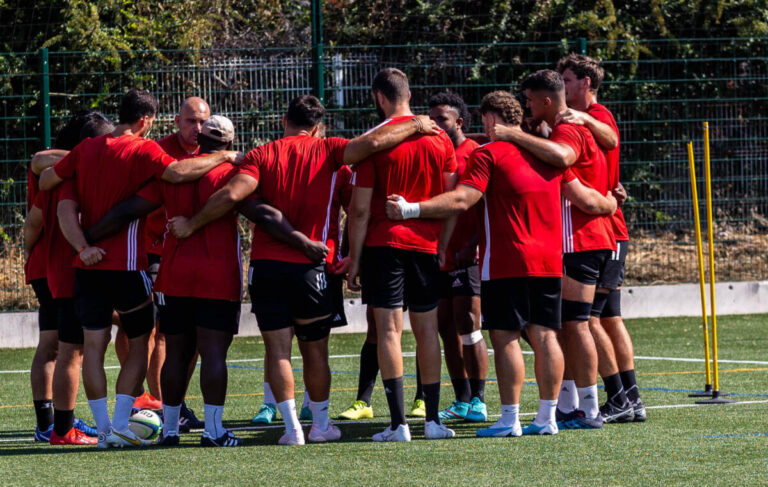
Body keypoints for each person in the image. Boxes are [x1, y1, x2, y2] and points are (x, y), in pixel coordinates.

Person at [168, 94, 439, 445]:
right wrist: (416, 124)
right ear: (317, 127)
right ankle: (321, 425)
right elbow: (372, 144)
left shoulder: (262, 154)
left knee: (277, 351)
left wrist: (192, 223)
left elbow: (232, 195)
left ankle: (292, 427)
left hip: (266, 269)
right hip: (313, 269)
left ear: (284, 121)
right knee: (316, 351)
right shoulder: (329, 151)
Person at [386, 90, 616, 437]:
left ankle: (510, 419)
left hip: (507, 261)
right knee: (545, 335)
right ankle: (547, 418)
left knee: (506, 337)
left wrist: (410, 208)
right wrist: (612, 203)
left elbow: (464, 199)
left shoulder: (488, 154)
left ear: (491, 120)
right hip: (550, 262)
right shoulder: (550, 157)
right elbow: (586, 198)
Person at [39, 88, 239, 448]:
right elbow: (177, 173)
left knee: (93, 349)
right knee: (141, 343)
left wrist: (83, 247)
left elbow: (50, 184)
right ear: (147, 120)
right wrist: (226, 155)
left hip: (86, 265)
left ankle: (102, 432)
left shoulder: (85, 150)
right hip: (128, 266)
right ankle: (119, 424)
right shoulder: (144, 149)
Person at [492, 70, 617, 430]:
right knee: (570, 325)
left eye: (530, 100)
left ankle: (588, 410)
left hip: (578, 238)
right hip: (590, 235)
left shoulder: (567, 131)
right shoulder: (582, 125)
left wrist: (514, 135)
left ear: (547, 101)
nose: (526, 106)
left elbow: (563, 159)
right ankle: (572, 406)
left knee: (574, 325)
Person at [346, 68, 458, 442]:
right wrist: (441, 241)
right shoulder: (441, 138)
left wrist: (355, 257)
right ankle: (433, 421)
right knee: (428, 333)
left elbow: (359, 210)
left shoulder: (374, 142)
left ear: (379, 97)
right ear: (409, 94)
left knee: (389, 332)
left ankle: (398, 425)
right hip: (424, 245)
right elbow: (450, 199)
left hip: (384, 245)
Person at [557, 53, 644, 422]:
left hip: (604, 227)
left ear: (585, 83)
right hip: (605, 226)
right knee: (606, 317)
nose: (562, 87)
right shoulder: (574, 122)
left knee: (590, 319)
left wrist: (581, 117)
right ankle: (630, 398)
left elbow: (610, 136)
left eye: (567, 80)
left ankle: (620, 398)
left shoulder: (599, 116)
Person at [23, 112, 109, 444]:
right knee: (65, 347)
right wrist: (30, 251)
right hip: (57, 265)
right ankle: (57, 426)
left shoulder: (72, 168)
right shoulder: (56, 169)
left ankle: (52, 423)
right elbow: (35, 219)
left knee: (54, 344)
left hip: (49, 265)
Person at [426, 92, 489, 423]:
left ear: (459, 122)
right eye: (432, 118)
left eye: (442, 119)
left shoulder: (475, 153)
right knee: (445, 328)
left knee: (469, 323)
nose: (436, 123)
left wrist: (476, 242)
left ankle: (480, 398)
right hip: (437, 253)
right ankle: (462, 399)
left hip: (469, 254)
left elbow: (485, 203)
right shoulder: (433, 151)